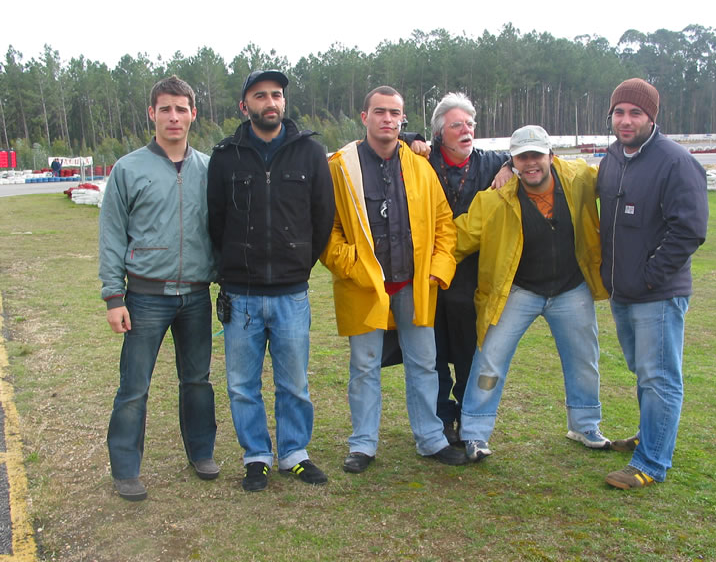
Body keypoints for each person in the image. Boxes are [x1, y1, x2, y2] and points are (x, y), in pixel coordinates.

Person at [320, 85, 468, 473]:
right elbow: (326, 232)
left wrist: (438, 271)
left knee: (425, 362)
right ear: (364, 117)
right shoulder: (340, 167)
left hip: (415, 284)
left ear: (403, 119)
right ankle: (363, 445)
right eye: (380, 112)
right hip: (364, 286)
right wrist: (355, 266)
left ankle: (431, 438)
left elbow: (443, 226)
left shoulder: (421, 167)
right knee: (364, 366)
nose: (388, 119)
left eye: (395, 113)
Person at [207, 69, 334, 491]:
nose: (270, 102)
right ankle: (257, 456)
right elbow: (216, 220)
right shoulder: (225, 156)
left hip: (291, 293)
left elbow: (323, 218)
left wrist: (299, 264)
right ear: (245, 106)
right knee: (243, 386)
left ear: (284, 102)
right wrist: (232, 268)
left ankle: (295, 453)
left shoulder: (310, 153)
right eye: (260, 96)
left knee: (293, 383)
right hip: (240, 295)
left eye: (276, 95)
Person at [454, 125, 612, 462]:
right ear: (512, 162)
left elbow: (621, 181)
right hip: (518, 290)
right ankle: (474, 434)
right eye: (522, 157)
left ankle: (585, 425)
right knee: (490, 358)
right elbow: (458, 239)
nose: (531, 164)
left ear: (551, 156)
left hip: (571, 288)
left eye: (536, 156)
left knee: (584, 358)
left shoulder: (581, 179)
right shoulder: (494, 201)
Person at [99, 75, 218, 501]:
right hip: (145, 297)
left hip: (196, 296)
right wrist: (114, 297)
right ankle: (126, 469)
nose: (173, 116)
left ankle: (202, 453)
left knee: (198, 381)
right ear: (152, 113)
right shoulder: (128, 168)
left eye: (180, 108)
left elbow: (218, 230)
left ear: (193, 114)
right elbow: (112, 235)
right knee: (134, 386)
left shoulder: (208, 168)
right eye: (165, 108)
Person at [597, 78, 708, 489]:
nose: (626, 121)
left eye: (636, 113)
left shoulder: (675, 162)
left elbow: (690, 230)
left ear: (651, 117)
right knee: (643, 370)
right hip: (622, 291)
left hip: (657, 294)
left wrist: (648, 277)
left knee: (660, 376)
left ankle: (651, 463)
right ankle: (650, 434)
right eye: (619, 112)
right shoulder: (612, 158)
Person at [421, 93, 512, 444]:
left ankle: (467, 417)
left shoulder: (491, 163)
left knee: (469, 352)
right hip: (427, 273)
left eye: (470, 124)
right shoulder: (423, 161)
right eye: (456, 125)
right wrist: (413, 139)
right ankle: (441, 417)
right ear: (440, 133)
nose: (466, 131)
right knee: (433, 352)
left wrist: (510, 167)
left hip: (472, 278)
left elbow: (527, 156)